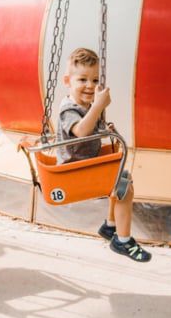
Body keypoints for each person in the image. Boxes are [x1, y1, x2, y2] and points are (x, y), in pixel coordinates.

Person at [56, 47, 151, 262]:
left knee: (123, 178)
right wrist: (98, 106)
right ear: (67, 81)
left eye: (94, 79)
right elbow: (80, 131)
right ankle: (123, 241)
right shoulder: (68, 109)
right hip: (73, 172)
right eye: (82, 79)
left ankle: (110, 226)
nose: (90, 85)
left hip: (86, 166)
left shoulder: (86, 106)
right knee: (123, 190)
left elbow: (90, 130)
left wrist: (105, 126)